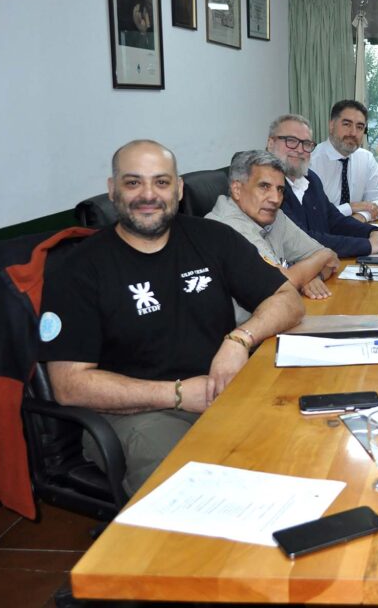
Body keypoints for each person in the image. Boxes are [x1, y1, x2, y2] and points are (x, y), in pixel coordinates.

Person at [39, 140, 303, 495]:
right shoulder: (79, 269)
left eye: (161, 182)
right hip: (136, 414)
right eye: (133, 182)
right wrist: (177, 394)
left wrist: (240, 339)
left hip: (221, 390)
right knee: (194, 495)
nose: (148, 195)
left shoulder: (211, 238)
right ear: (113, 190)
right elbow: (68, 385)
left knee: (300, 452)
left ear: (178, 190)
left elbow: (288, 301)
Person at [206, 150, 340, 316]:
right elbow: (279, 285)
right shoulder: (227, 226)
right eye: (264, 187)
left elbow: (331, 262)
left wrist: (313, 276)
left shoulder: (270, 215)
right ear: (237, 189)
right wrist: (324, 255)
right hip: (243, 329)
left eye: (280, 189)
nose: (276, 199)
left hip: (276, 318)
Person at [266, 114, 378, 258]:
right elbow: (302, 240)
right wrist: (368, 245)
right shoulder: (269, 188)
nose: (299, 150)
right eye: (291, 141)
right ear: (271, 143)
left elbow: (334, 220)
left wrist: (372, 232)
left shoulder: (311, 179)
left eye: (306, 144)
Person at [310, 100, 378, 222]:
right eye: (347, 124)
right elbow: (313, 213)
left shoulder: (366, 158)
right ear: (331, 125)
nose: (353, 133)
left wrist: (360, 217)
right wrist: (351, 207)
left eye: (360, 127)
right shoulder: (311, 162)